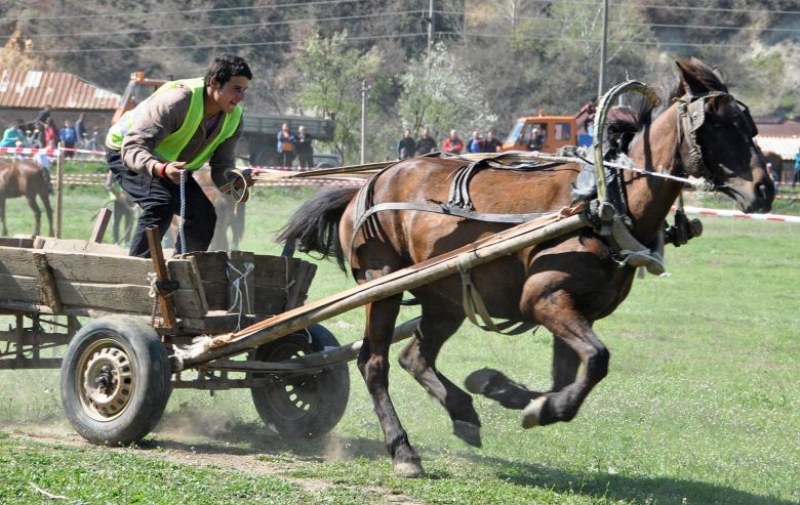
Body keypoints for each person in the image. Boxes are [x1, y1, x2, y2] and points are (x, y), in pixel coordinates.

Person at [105, 53, 254, 257]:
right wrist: (160, 169)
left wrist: (236, 181)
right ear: (214, 82)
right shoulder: (177, 101)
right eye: (236, 89)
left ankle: (183, 271)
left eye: (244, 90)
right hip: (127, 152)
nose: (241, 97)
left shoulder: (234, 118)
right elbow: (133, 147)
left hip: (170, 168)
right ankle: (137, 272)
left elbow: (221, 167)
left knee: (204, 216)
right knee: (160, 204)